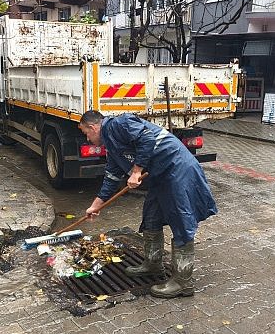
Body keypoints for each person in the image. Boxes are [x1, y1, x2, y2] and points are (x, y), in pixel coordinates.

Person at [79, 110, 217, 298]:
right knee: (151, 217)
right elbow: (111, 177)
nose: (87, 139)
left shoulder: (119, 124)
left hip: (176, 169)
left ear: (93, 127)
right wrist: (95, 205)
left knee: (181, 222)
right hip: (159, 176)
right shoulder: (111, 144)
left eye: (86, 133)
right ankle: (153, 264)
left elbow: (147, 138)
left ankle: (183, 282)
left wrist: (136, 172)